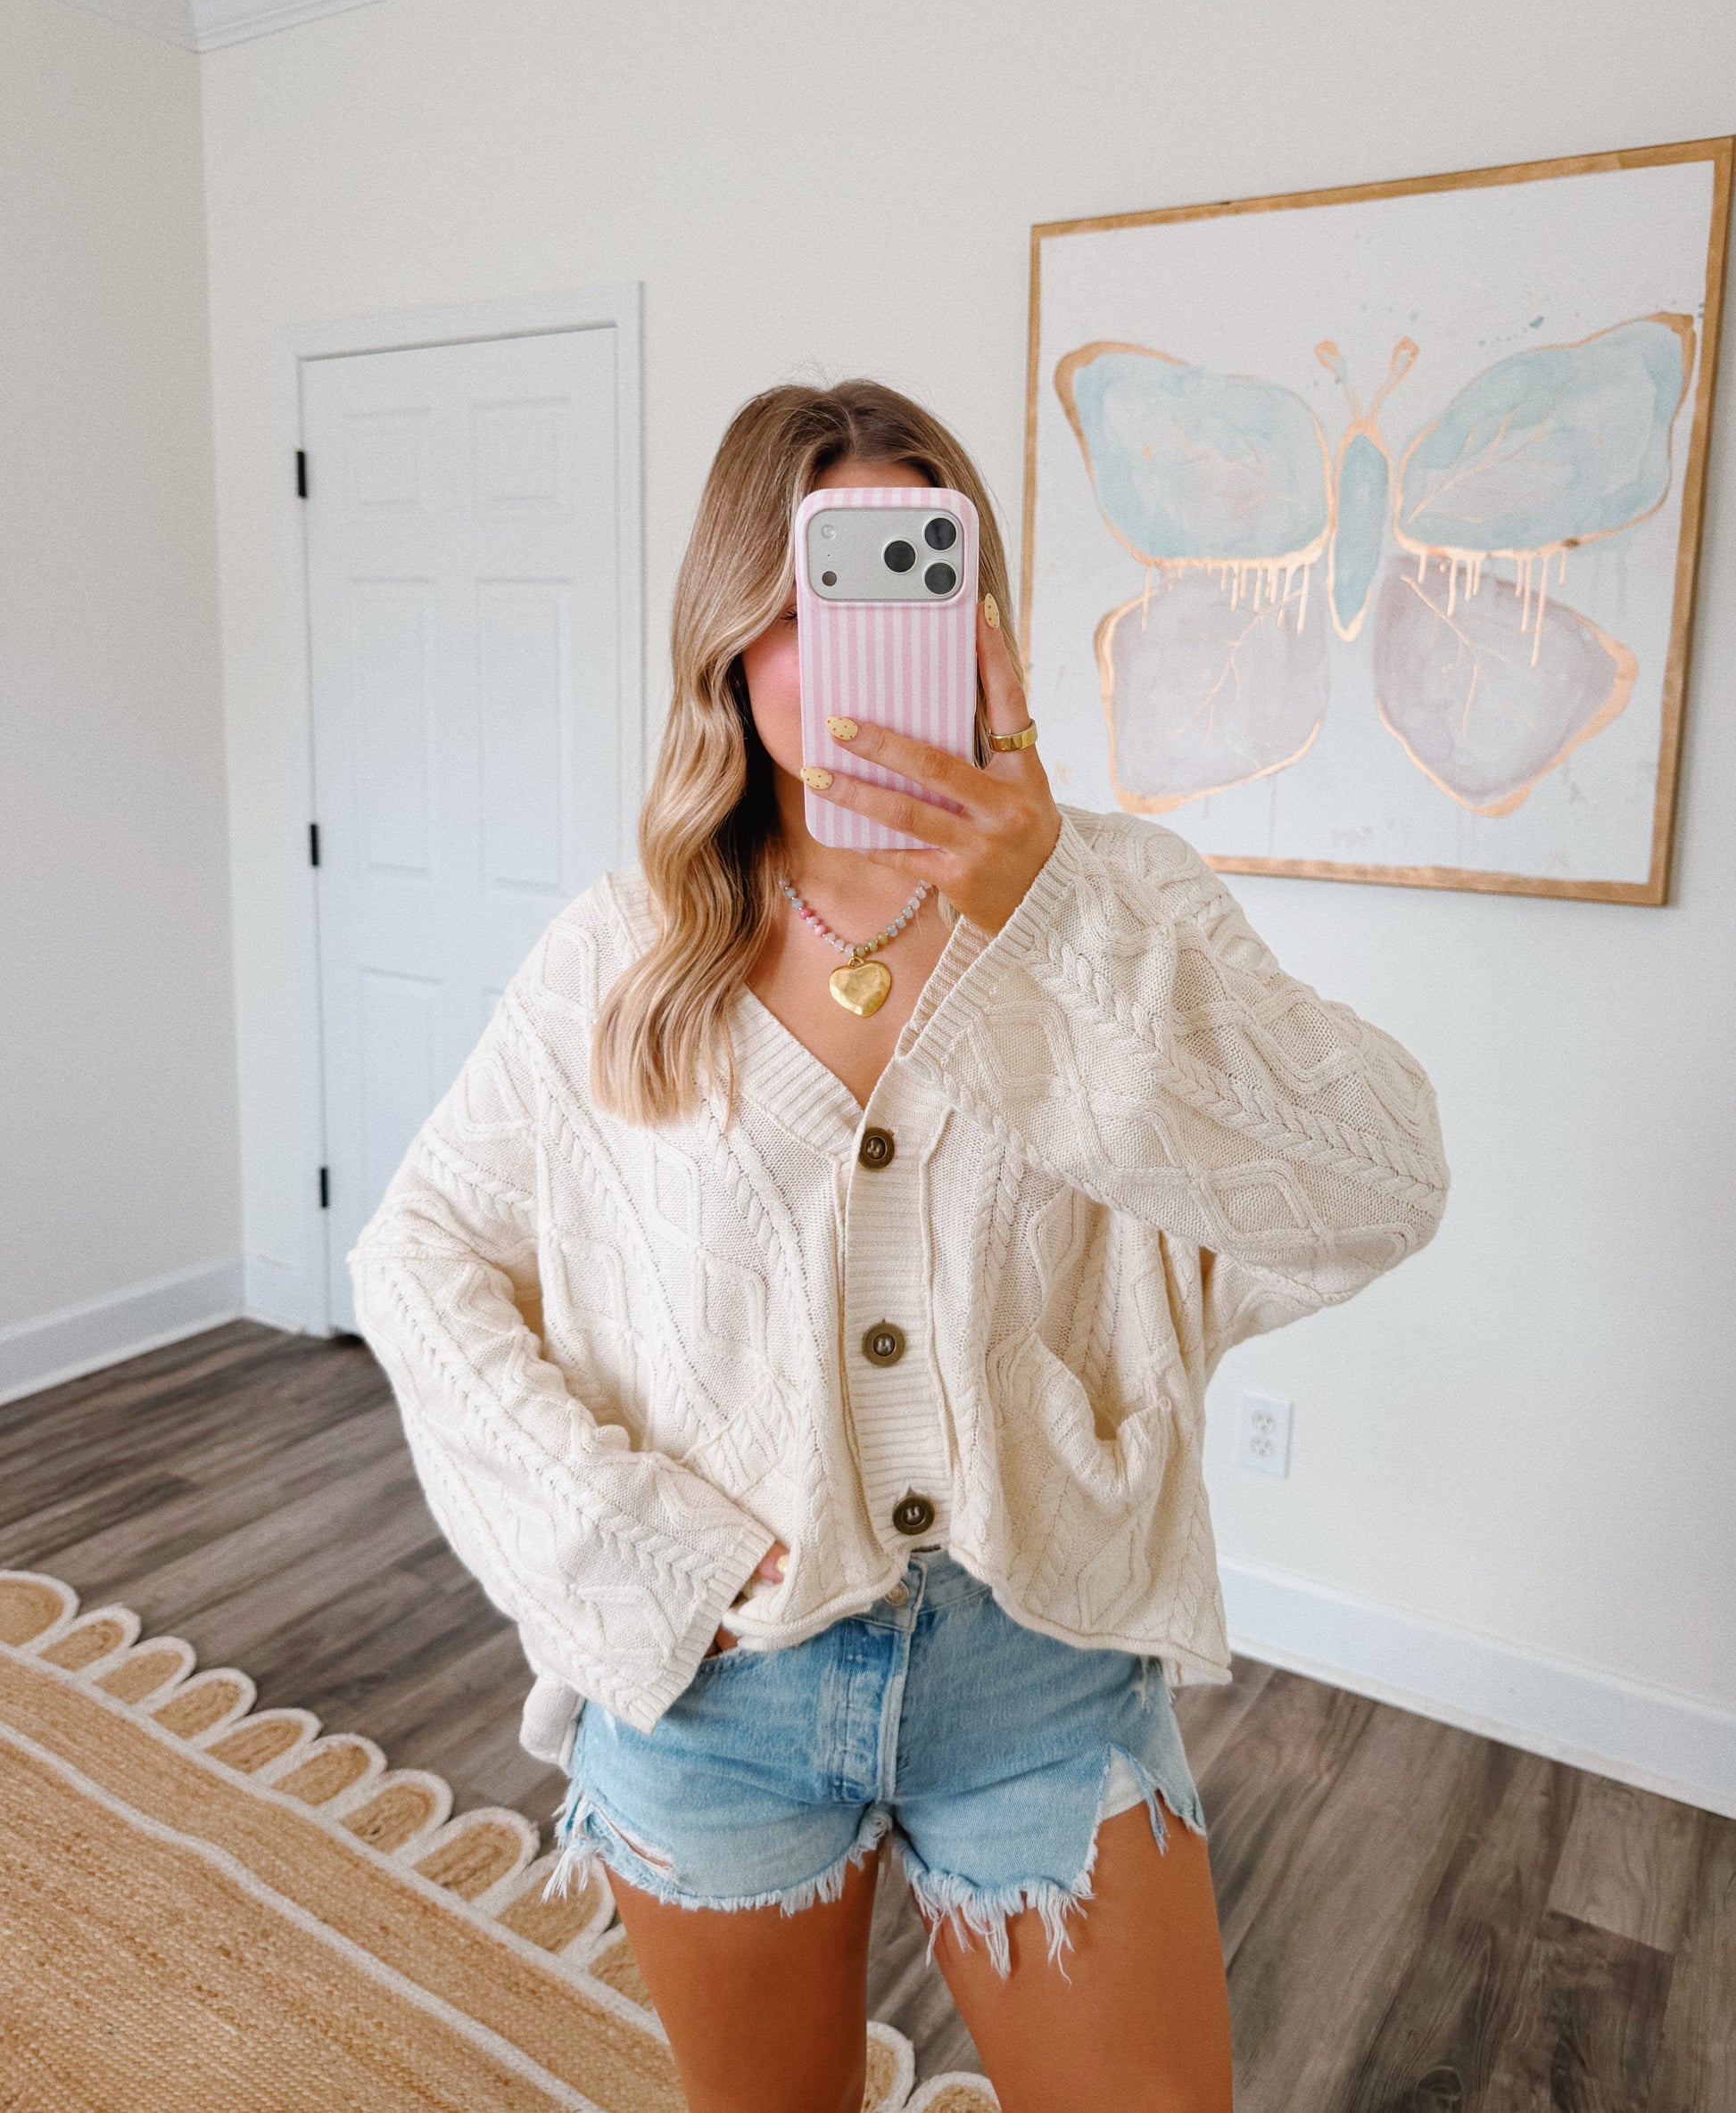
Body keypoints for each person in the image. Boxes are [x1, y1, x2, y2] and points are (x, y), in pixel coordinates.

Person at [349, 379, 1451, 2113]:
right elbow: (416, 1256)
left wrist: (1047, 916)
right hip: (717, 1686)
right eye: (801, 599)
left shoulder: (1116, 901)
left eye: (899, 586)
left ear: (976, 624)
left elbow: (1374, 1183)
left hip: (1042, 1666)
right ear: (726, 635)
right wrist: (640, 1547)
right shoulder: (620, 956)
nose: (846, 653)